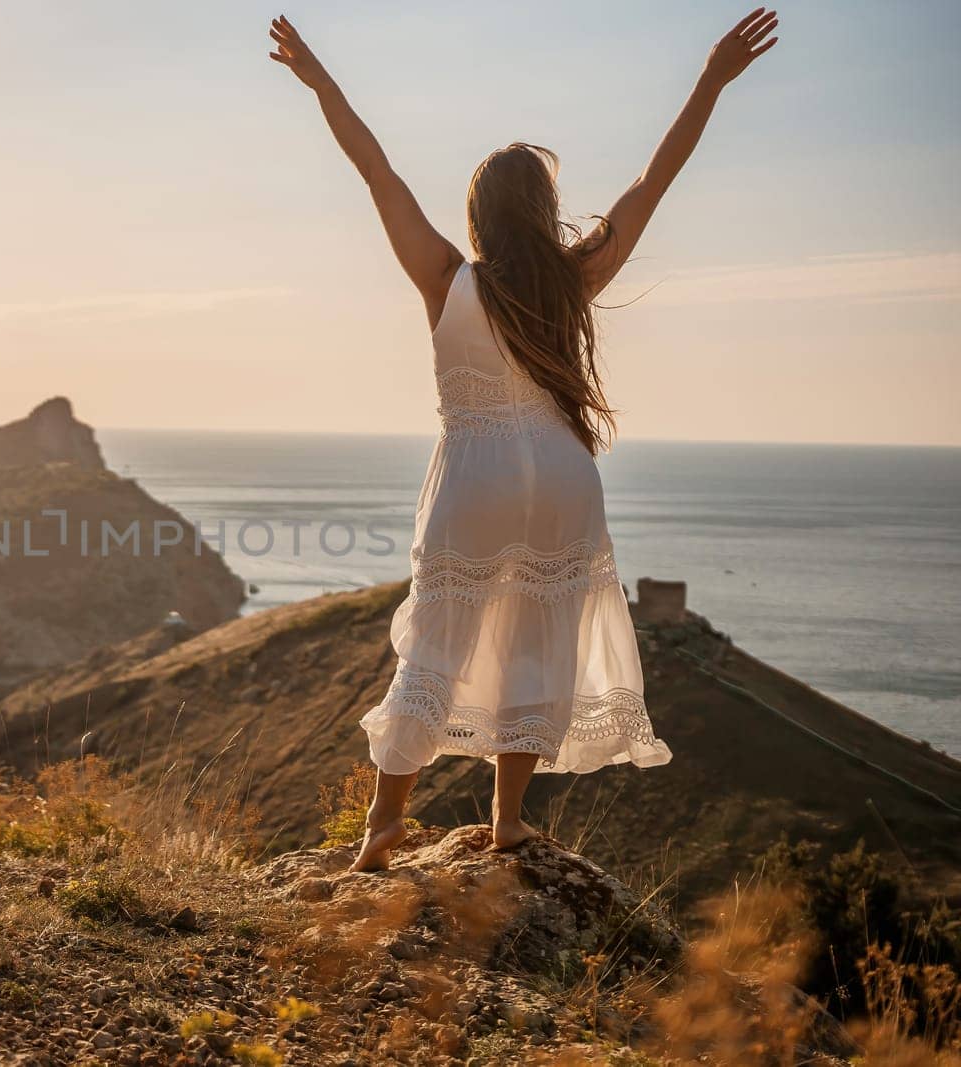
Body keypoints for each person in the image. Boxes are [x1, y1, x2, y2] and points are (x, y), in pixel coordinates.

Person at [269, 10, 780, 869]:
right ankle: (506, 820)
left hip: (477, 473)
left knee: (436, 642)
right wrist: (710, 81)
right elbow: (654, 179)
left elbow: (376, 171)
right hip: (563, 474)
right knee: (535, 641)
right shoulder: (575, 279)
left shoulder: (444, 278)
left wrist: (321, 82)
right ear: (542, 210)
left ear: (477, 216)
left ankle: (383, 828)